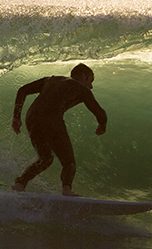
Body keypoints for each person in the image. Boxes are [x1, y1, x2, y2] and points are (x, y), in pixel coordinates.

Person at [10, 63, 107, 196]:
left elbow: (22, 90)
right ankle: (67, 190)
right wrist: (102, 126)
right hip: (51, 119)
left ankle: (19, 184)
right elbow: (100, 112)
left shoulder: (51, 79)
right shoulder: (82, 89)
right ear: (83, 76)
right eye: (90, 81)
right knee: (69, 162)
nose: (91, 86)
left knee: (45, 158)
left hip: (32, 117)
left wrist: (16, 117)